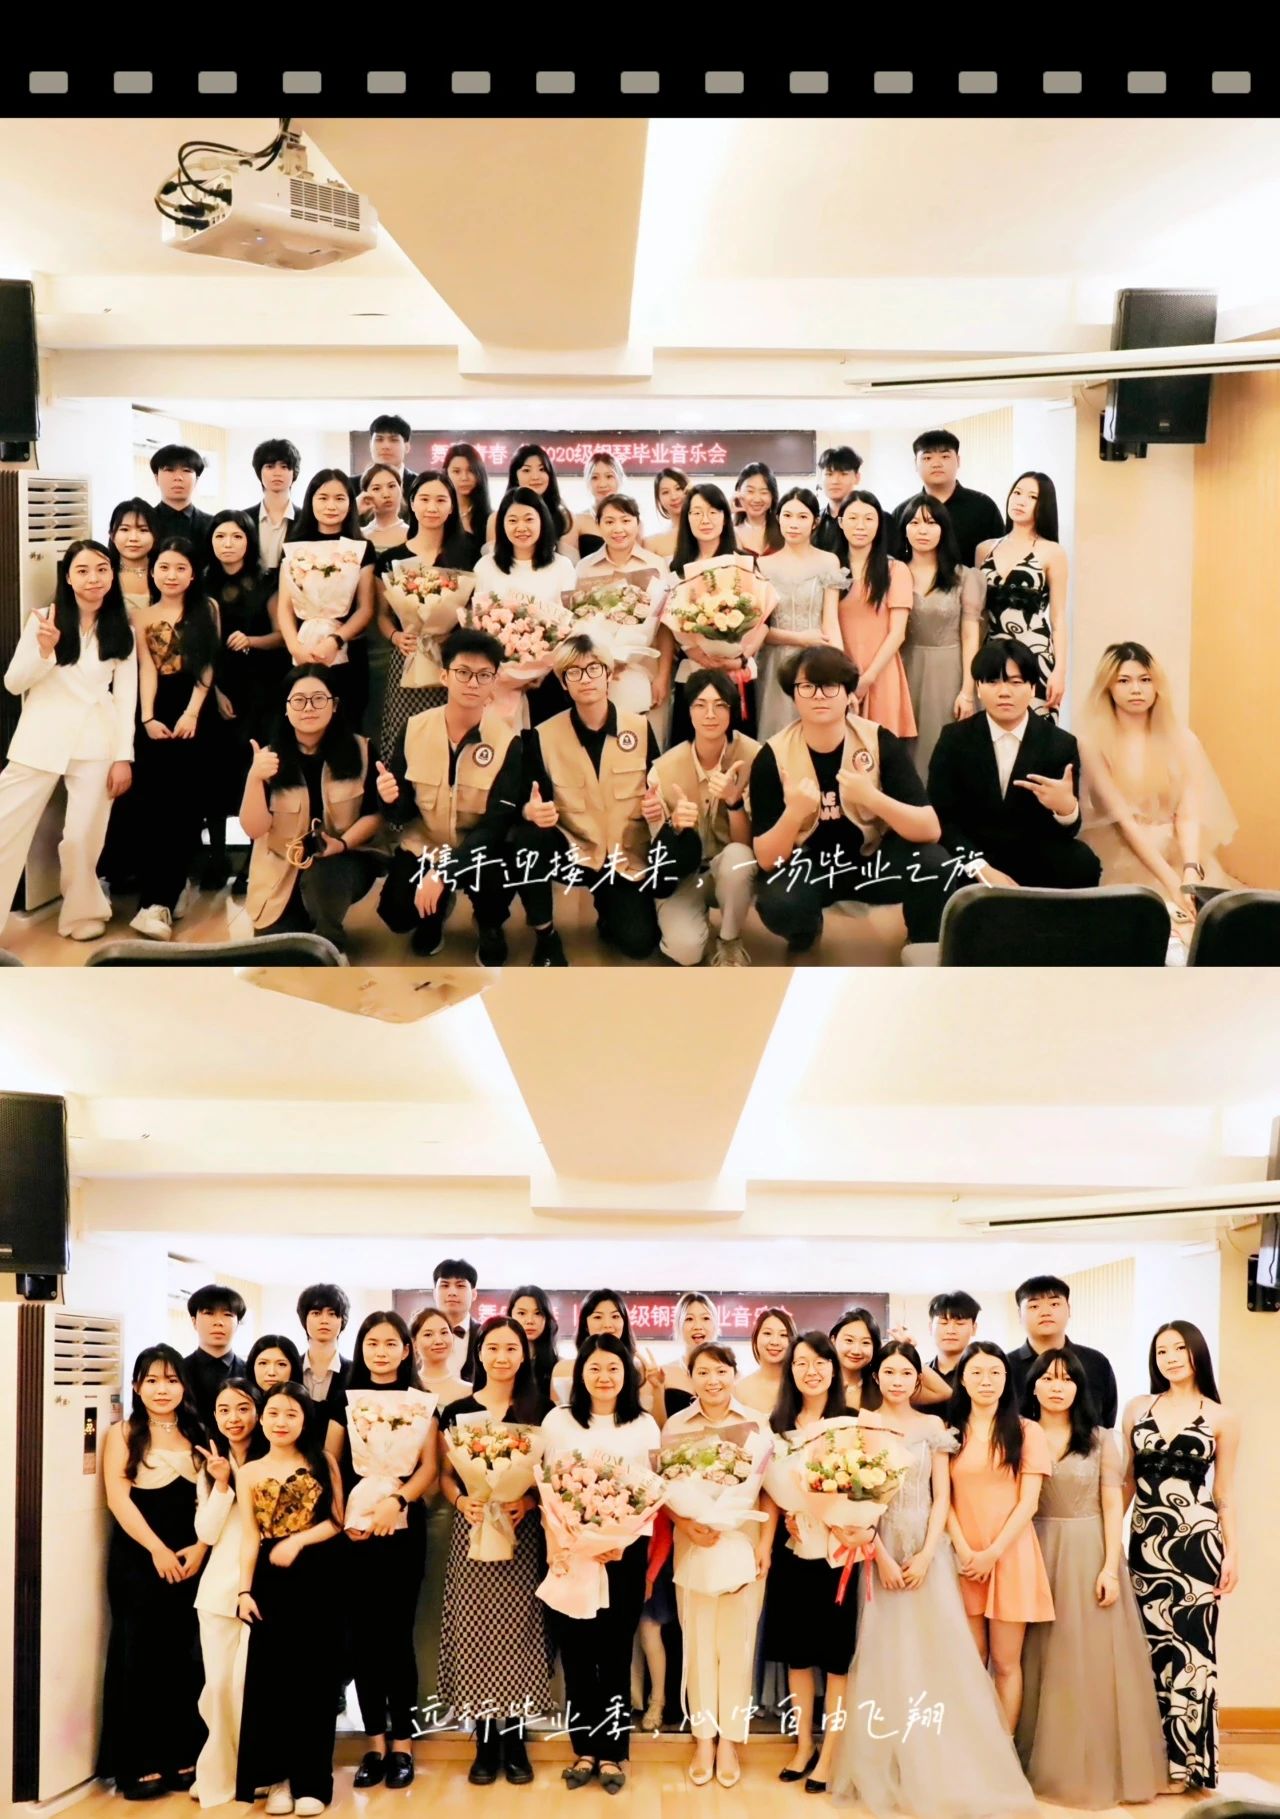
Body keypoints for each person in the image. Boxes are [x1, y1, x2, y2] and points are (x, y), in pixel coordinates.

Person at [831, 1341, 1038, 1819]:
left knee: (937, 1658)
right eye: (889, 1372)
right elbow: (854, 1500)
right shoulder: (862, 1424)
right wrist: (880, 1556)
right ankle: (892, 1767)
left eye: (907, 1372)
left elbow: (942, 1496)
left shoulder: (934, 1428)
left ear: (918, 1379)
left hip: (929, 1551)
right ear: (877, 1377)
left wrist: (927, 1555)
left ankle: (941, 1765)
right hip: (879, 1551)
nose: (898, 1380)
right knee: (886, 1657)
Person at [1016, 1348, 1168, 1808]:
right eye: (1048, 1378)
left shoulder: (1100, 1439)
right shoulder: (1019, 1434)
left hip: (1087, 1554)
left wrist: (1108, 1567)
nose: (1057, 1387)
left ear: (1079, 1388)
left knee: (1085, 1661)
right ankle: (1029, 1763)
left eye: (1067, 1379)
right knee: (1033, 1658)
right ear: (1033, 1386)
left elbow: (1111, 1504)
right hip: (1032, 1549)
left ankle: (1091, 1767)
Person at [749, 645, 957, 953]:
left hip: (874, 860)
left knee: (936, 864)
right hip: (811, 866)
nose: (819, 696)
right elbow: (768, 859)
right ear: (793, 695)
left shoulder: (879, 740)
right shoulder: (772, 756)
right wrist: (793, 814)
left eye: (830, 686)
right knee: (779, 902)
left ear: (848, 694)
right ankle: (806, 930)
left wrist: (872, 798)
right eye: (807, 687)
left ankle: (922, 943)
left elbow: (930, 829)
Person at [541, 1334, 662, 1795]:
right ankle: (584, 1750)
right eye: (594, 1368)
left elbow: (652, 1494)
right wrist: (564, 1542)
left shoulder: (644, 1425)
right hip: (569, 1555)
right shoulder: (558, 1422)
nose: (604, 1376)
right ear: (580, 1375)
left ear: (627, 1374)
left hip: (622, 1556)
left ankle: (613, 1752)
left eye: (613, 1367)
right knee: (576, 1657)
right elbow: (546, 1489)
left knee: (614, 1657)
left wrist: (620, 1542)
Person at [1123, 1321, 1240, 1792]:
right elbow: (1125, 1483)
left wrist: (1232, 1553)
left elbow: (1224, 1493)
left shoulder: (1221, 1417)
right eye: (1161, 1351)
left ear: (1196, 1354)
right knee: (1149, 1649)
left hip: (1199, 1543)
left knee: (1193, 1653)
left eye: (1179, 1349)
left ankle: (1189, 1766)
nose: (1170, 1357)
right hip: (1144, 1544)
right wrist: (1106, 1544)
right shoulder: (1138, 1408)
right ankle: (1151, 1761)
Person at [0, 541, 136, 946]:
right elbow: (14, 683)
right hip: (40, 738)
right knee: (4, 826)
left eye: (102, 569)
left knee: (82, 838)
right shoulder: (45, 620)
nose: (94, 578)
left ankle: (83, 912)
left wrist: (123, 757)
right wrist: (43, 651)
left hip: (97, 740)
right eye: (83, 570)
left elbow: (126, 700)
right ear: (68, 577)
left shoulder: (122, 629)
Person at [437, 1318, 552, 1788]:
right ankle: (484, 1739)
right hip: (472, 1535)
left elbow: (552, 1476)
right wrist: (460, 1500)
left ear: (525, 1354)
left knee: (519, 1634)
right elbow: (446, 1475)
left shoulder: (542, 1410)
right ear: (479, 1352)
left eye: (511, 1348)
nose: (502, 1357)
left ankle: (516, 1739)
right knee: (476, 1635)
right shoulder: (458, 1410)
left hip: (523, 1540)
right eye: (493, 1347)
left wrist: (529, 1501)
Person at [661, 1342, 774, 1789]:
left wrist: (766, 1546)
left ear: (734, 1373)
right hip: (693, 1550)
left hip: (743, 1550)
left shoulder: (756, 1423)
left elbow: (769, 1491)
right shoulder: (675, 1425)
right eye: (703, 1372)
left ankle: (730, 1740)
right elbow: (662, 1492)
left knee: (736, 1648)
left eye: (721, 1371)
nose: (713, 1380)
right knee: (698, 1648)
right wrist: (685, 1523)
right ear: (691, 1378)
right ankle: (703, 1738)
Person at [99, 1345, 208, 1801]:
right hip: (139, 1559)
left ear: (184, 1386)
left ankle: (183, 1755)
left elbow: (215, 1498)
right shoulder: (123, 1434)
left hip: (192, 1558)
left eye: (171, 1380)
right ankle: (138, 1763)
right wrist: (158, 1550)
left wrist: (201, 1547)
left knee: (185, 1659)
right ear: (137, 1386)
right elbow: (117, 1499)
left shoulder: (199, 1430)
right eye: (152, 1381)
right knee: (139, 1657)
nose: (162, 1390)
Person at [374, 627, 519, 965]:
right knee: (396, 912)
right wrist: (390, 799)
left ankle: (489, 924)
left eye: (483, 675)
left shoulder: (507, 742)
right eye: (463, 672)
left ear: (494, 681)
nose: (472, 683)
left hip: (478, 848)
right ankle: (432, 915)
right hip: (425, 844)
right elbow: (402, 815)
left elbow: (496, 826)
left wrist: (445, 872)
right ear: (444, 676)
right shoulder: (414, 729)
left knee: (498, 878)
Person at [517, 631, 662, 966]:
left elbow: (659, 790)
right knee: (526, 840)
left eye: (594, 669)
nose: (585, 679)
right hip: (574, 849)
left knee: (639, 945)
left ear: (609, 675)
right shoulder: (543, 736)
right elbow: (529, 800)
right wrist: (530, 811)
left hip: (623, 855)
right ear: (563, 683)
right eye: (574, 672)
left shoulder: (639, 728)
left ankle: (608, 907)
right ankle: (545, 935)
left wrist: (658, 806)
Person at [1079, 640, 1238, 942]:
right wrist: (1171, 882)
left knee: (1211, 927)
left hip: (1177, 846)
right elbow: (1123, 821)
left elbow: (1188, 814)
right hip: (1122, 847)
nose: (1136, 690)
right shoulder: (1093, 744)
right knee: (1148, 924)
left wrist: (1190, 871)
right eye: (1124, 681)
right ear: (1108, 687)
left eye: (1145, 680)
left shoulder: (1184, 740)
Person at [235, 1383, 345, 1815]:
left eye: (291, 1414)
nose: (281, 1422)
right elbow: (249, 1536)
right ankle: (279, 1780)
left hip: (319, 1576)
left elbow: (336, 1520)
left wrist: (297, 1541)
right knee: (273, 1684)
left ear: (304, 1420)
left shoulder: (323, 1461)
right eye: (274, 1413)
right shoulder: (249, 1471)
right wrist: (244, 1590)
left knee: (315, 1682)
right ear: (262, 1419)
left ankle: (313, 1781)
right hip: (270, 1579)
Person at [765, 1333, 868, 1792]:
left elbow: (869, 1487)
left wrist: (850, 1521)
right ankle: (803, 1744)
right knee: (798, 1656)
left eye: (821, 1362)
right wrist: (788, 1518)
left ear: (834, 1368)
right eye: (802, 1362)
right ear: (790, 1370)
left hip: (839, 1557)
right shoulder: (777, 1427)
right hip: (793, 1554)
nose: (812, 1371)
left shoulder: (853, 1423)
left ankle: (830, 1754)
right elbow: (771, 1492)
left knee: (836, 1661)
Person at [344, 1312, 439, 1792]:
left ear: (406, 1350)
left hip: (403, 1529)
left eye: (390, 1343)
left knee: (398, 1639)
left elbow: (430, 1469)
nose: (380, 1352)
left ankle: (403, 1744)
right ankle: (374, 1744)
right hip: (355, 1532)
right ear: (361, 1348)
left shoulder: (422, 1404)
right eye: (372, 1343)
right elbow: (332, 1464)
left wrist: (397, 1502)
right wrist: (350, 1519)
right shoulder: (345, 1402)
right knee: (364, 1641)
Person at [927, 640, 1102, 892]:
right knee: (931, 863)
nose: (1004, 692)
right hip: (973, 854)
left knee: (1082, 862)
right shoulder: (954, 739)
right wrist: (978, 867)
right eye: (992, 682)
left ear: (1032, 688)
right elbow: (942, 816)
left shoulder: (1059, 744)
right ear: (978, 688)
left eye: (1016, 682)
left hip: (1032, 854)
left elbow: (1067, 832)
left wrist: (1066, 809)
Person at [946, 1341, 1054, 1732]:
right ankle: (973, 1745)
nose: (986, 1380)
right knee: (971, 1661)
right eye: (976, 1372)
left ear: (1007, 1379)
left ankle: (1004, 1749)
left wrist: (992, 1552)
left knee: (1007, 1664)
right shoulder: (949, 1433)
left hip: (1010, 1554)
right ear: (962, 1379)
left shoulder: (1027, 1431)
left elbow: (1029, 1503)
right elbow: (943, 1500)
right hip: (963, 1557)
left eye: (995, 1372)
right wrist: (964, 1550)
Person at [239, 666, 384, 952]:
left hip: (343, 859)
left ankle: (331, 945)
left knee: (323, 877)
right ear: (286, 708)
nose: (308, 708)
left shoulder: (362, 750)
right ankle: (308, 917)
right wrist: (254, 778)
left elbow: (374, 815)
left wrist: (342, 844)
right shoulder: (268, 758)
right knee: (278, 949)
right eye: (299, 700)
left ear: (334, 705)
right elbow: (254, 829)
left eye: (318, 699)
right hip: (282, 868)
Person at [126, 536, 222, 940]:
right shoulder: (142, 616)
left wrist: (192, 711)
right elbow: (146, 668)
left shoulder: (207, 608)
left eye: (181, 568)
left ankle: (169, 893)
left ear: (193, 573)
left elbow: (207, 663)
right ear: (153, 571)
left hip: (196, 711)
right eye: (164, 567)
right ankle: (157, 899)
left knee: (186, 808)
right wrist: (147, 717)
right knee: (154, 809)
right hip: (157, 713)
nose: (171, 575)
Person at [650, 670, 759, 967]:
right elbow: (659, 855)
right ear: (688, 711)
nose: (710, 714)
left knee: (738, 857)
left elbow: (748, 847)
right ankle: (686, 920)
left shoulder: (754, 757)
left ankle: (730, 940)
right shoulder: (664, 768)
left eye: (720, 705)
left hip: (727, 869)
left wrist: (734, 802)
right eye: (700, 705)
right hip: (684, 875)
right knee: (685, 952)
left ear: (732, 710)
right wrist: (674, 826)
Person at [373, 469, 482, 760]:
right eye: (424, 499)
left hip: (455, 661)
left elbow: (477, 609)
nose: (432, 507)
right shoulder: (392, 558)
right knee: (406, 735)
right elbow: (382, 615)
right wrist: (396, 636)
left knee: (453, 737)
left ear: (452, 506)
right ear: (411, 503)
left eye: (441, 500)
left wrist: (453, 633)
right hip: (409, 656)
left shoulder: (470, 553)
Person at [192, 1377, 266, 1809]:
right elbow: (205, 1531)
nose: (233, 1418)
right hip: (218, 1591)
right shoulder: (210, 1463)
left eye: (242, 1408)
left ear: (258, 1411)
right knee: (218, 1688)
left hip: (262, 1589)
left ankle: (257, 1772)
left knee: (249, 1688)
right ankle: (219, 1771)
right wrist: (221, 1485)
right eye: (223, 1410)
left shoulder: (273, 1459)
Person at [205, 510, 286, 893]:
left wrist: (251, 641)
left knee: (254, 772)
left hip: (261, 688)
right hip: (216, 687)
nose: (228, 544)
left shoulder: (267, 580)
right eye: (220, 537)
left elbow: (282, 636)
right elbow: (198, 642)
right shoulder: (203, 580)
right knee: (215, 774)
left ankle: (254, 861)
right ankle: (216, 857)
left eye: (236, 536)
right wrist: (214, 690)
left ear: (249, 540)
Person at [662, 484, 774, 745]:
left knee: (737, 750)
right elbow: (672, 622)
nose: (705, 519)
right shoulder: (675, 568)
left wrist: (741, 657)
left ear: (725, 517)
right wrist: (697, 653)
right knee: (691, 749)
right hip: (693, 675)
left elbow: (765, 619)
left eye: (713, 511)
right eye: (696, 512)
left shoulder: (744, 562)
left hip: (738, 676)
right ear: (687, 518)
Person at [407, 1306, 471, 1734]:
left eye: (443, 1332)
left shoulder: (470, 1392)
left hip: (456, 1509)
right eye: (427, 1333)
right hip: (409, 1508)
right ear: (413, 1343)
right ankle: (425, 1701)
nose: (437, 1339)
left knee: (457, 1609)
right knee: (422, 1612)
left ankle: (459, 1699)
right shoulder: (404, 1393)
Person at [278, 471, 377, 728]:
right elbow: (284, 607)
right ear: (311, 500)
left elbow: (365, 608)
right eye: (323, 498)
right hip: (303, 648)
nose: (331, 506)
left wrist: (335, 641)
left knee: (347, 720)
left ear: (350, 503)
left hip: (347, 650)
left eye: (339, 498)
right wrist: (295, 647)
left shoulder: (361, 547)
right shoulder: (294, 545)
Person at [897, 493, 982, 780]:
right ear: (904, 529)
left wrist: (967, 691)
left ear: (944, 529)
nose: (922, 530)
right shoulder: (893, 573)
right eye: (914, 523)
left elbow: (970, 635)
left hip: (949, 671)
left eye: (931, 523)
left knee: (943, 745)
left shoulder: (964, 577)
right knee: (904, 749)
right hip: (903, 668)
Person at [573, 491, 670, 727]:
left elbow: (665, 627)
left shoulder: (656, 565)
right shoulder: (585, 568)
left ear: (637, 523)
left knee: (648, 741)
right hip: (599, 679)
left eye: (626, 520)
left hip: (646, 673)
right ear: (598, 525)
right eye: (609, 521)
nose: (618, 529)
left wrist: (663, 677)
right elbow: (577, 626)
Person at [822, 492, 916, 737]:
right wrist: (843, 676)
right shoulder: (831, 568)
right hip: (838, 669)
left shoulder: (895, 570)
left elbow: (898, 633)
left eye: (869, 518)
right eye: (853, 518)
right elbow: (828, 623)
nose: (860, 526)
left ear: (879, 524)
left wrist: (867, 678)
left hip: (881, 671)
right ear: (840, 522)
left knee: (881, 745)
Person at [975, 472, 1069, 712]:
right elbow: (978, 614)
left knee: (1036, 726)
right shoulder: (985, 549)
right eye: (1017, 493)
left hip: (1035, 652)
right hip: (992, 652)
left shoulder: (1052, 551)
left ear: (1043, 505)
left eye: (1032, 496)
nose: (1020, 500)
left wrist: (1059, 671)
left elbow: (1058, 618)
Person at [756, 488, 844, 742]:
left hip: (817, 658)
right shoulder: (763, 565)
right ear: (778, 518)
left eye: (802, 517)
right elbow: (759, 629)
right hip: (774, 662)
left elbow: (831, 622)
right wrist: (800, 639)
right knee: (777, 734)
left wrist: (840, 672)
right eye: (787, 515)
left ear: (815, 522)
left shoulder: (829, 562)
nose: (793, 524)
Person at [1006, 1275, 1119, 1428]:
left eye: (1054, 1304)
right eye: (1034, 1306)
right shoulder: (1004, 1367)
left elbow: (1106, 1421)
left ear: (1069, 1309)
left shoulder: (1096, 1362)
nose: (1045, 1312)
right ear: (1020, 1315)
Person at [894, 431, 1004, 568]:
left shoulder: (984, 506)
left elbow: (1001, 553)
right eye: (927, 458)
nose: (936, 464)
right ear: (915, 464)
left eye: (945, 456)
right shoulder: (903, 511)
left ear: (958, 460)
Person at [550, 1290, 665, 1418]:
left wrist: (658, 1388)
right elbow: (556, 1421)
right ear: (585, 1324)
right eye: (598, 1317)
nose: (607, 1325)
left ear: (624, 1322)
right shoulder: (563, 1370)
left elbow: (658, 1427)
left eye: (615, 1316)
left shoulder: (646, 1372)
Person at [246, 1335, 344, 1458]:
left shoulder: (314, 1411)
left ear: (294, 1368)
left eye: (281, 1364)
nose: (271, 1372)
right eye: (263, 1363)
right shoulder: (243, 1408)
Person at [485, 443, 576, 551]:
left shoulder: (564, 516)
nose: (535, 477)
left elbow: (570, 557)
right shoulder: (496, 518)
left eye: (542, 469)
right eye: (526, 470)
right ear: (515, 476)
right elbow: (494, 557)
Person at [183, 1285, 249, 1428]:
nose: (218, 1322)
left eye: (228, 1314)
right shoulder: (177, 1371)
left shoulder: (251, 1372)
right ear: (194, 1321)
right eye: (209, 1313)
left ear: (238, 1324)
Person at [296, 1282, 352, 1423]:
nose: (324, 1320)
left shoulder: (354, 1372)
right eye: (316, 1313)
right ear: (304, 1319)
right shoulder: (290, 1367)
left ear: (342, 1320)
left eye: (332, 1314)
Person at [243, 439, 300, 576]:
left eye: (284, 467)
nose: (277, 473)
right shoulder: (244, 518)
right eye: (270, 466)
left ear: (294, 472)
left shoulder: (306, 519)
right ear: (259, 472)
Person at [150, 443, 213, 559]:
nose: (178, 477)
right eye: (169, 470)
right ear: (156, 478)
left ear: (196, 480)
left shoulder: (212, 525)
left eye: (186, 470)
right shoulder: (145, 522)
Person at [737, 1306, 798, 1415]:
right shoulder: (739, 1389)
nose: (775, 1342)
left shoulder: (801, 1385)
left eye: (783, 1335)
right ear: (755, 1337)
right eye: (767, 1333)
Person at [507, 1285, 561, 1407]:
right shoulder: (500, 1361)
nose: (530, 1320)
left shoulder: (559, 1366)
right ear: (510, 1315)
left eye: (538, 1313)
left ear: (547, 1318)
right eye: (522, 1313)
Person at [355, 414, 416, 514]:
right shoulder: (350, 486)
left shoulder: (421, 484)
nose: (386, 446)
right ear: (370, 445)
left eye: (394, 440)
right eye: (379, 439)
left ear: (407, 447)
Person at [571, 450, 628, 558]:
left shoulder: (633, 520)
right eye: (595, 478)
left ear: (619, 478)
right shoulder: (576, 521)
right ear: (587, 481)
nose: (602, 484)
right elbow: (570, 564)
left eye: (609, 476)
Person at [434, 1258, 482, 1381]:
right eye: (445, 1285)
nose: (452, 1292)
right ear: (434, 1293)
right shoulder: (416, 1335)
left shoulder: (486, 1334)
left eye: (460, 1285)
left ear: (474, 1294)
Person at [109, 498, 160, 613]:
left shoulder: (166, 572)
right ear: (112, 535)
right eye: (125, 529)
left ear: (155, 535)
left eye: (143, 530)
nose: (133, 538)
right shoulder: (103, 574)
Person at [814, 446, 863, 555]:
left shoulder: (877, 519)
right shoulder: (813, 521)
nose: (835, 481)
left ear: (857, 478)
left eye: (843, 474)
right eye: (829, 474)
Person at [927, 1292, 981, 1389]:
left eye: (960, 1323)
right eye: (943, 1323)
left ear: (974, 1328)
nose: (950, 1331)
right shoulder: (919, 1375)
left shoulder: (984, 1376)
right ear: (930, 1328)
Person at [733, 461, 785, 557]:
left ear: (773, 496)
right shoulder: (730, 532)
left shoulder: (784, 528)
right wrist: (726, 511)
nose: (757, 499)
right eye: (750, 491)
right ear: (738, 492)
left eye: (764, 492)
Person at [444, 442, 491, 544]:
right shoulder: (438, 514)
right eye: (456, 471)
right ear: (446, 473)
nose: (464, 478)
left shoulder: (491, 519)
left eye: (471, 470)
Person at [360, 462, 409, 553]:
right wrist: (355, 510)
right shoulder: (360, 534)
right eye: (376, 488)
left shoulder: (412, 535)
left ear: (400, 489)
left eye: (391, 486)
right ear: (365, 494)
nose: (386, 494)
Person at [648, 466, 689, 562]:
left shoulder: (707, 530)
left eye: (678, 488)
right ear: (658, 499)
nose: (674, 497)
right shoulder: (652, 542)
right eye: (665, 492)